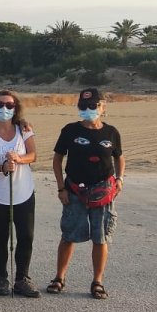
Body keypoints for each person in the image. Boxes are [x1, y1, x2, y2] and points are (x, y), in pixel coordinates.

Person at [49, 88, 124, 300]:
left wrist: (119, 179)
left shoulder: (111, 133)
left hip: (103, 192)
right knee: (69, 235)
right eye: (83, 106)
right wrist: (61, 187)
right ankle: (59, 277)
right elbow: (57, 159)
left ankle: (97, 281)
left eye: (93, 106)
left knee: (100, 238)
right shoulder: (70, 130)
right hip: (74, 191)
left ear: (103, 107)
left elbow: (119, 157)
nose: (88, 109)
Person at [0, 89, 40, 297]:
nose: (5, 108)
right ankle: (1, 278)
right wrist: (1, 167)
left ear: (16, 109)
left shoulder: (24, 130)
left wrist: (18, 160)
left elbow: (33, 155)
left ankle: (22, 278)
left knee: (26, 236)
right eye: (0, 105)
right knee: (1, 236)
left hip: (23, 192)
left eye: (10, 105)